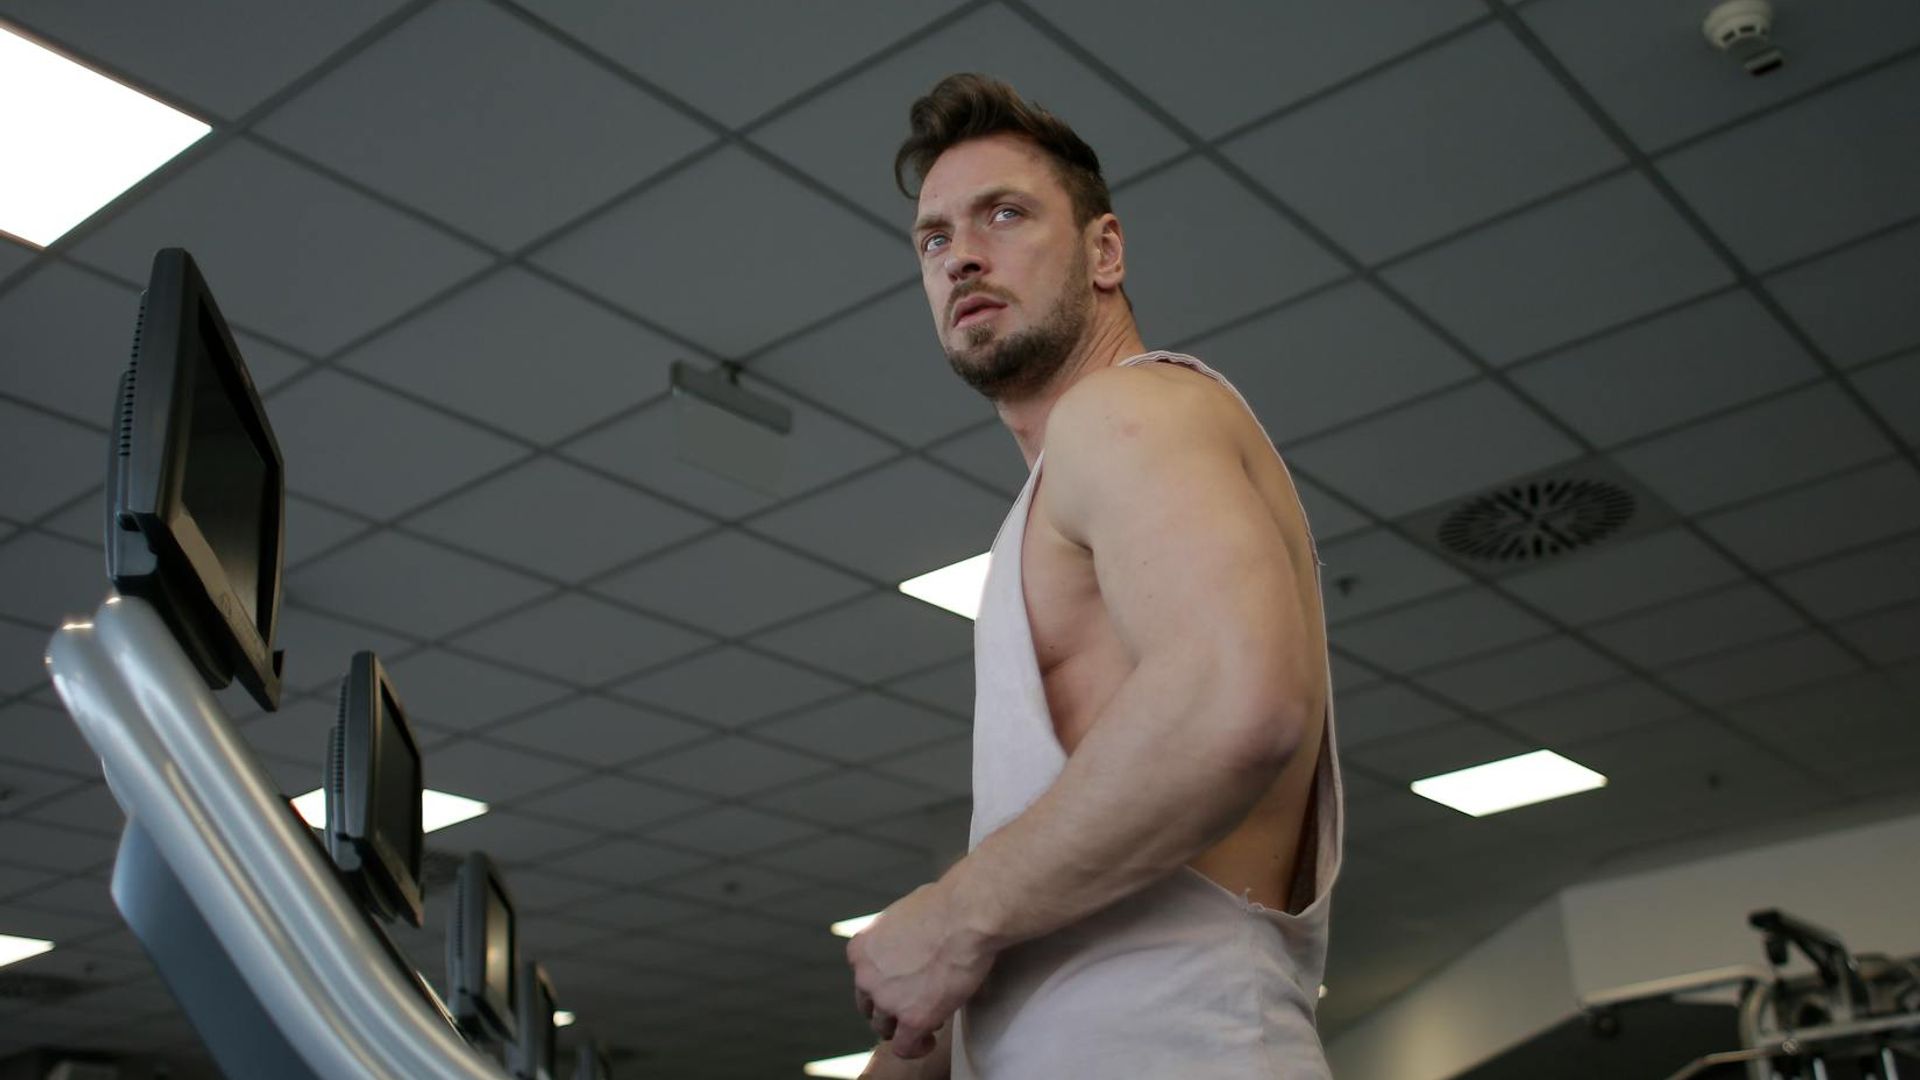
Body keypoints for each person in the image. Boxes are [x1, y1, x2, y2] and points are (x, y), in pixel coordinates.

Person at [845, 74, 1346, 1079]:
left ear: (1104, 251)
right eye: (934, 239)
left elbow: (1233, 706)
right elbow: (1048, 937)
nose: (964, 256)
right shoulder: (1055, 506)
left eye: (1005, 214)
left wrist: (953, 914)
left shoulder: (1128, 414)